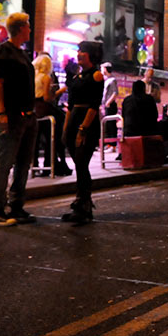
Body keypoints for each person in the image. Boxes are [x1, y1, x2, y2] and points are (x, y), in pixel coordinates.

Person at [0, 12, 38, 226]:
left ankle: (16, 206)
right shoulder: (3, 52)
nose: (30, 29)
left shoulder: (22, 54)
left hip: (27, 115)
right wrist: (1, 113)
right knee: (4, 162)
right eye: (27, 25)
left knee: (23, 163)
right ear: (19, 28)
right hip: (11, 115)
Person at [61, 41, 105, 224]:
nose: (79, 54)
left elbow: (94, 105)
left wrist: (83, 129)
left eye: (83, 51)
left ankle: (84, 203)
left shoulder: (96, 76)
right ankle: (82, 203)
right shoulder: (77, 77)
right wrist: (65, 129)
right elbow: (71, 105)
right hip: (73, 120)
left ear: (92, 55)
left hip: (86, 122)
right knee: (79, 164)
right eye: (78, 50)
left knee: (81, 162)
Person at [32, 53, 71, 176]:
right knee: (59, 125)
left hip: (35, 109)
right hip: (45, 109)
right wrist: (61, 90)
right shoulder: (46, 78)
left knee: (36, 140)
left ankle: (36, 165)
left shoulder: (34, 77)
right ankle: (52, 161)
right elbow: (47, 98)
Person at [101, 62, 118, 153]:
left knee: (111, 125)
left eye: (102, 68)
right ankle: (108, 144)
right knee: (107, 125)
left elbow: (115, 93)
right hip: (106, 105)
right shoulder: (106, 80)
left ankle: (113, 145)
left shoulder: (112, 80)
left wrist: (108, 102)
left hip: (110, 105)